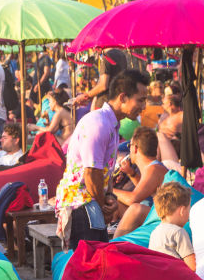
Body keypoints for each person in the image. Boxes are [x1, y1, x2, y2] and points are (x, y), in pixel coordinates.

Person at [55, 70, 148, 249]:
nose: (143, 107)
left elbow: (104, 171)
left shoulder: (110, 123)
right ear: (123, 97)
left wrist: (110, 197)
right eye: (140, 100)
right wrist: (104, 206)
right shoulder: (99, 124)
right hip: (81, 206)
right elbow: (91, 175)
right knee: (88, 267)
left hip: (91, 204)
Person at [112, 127, 168, 237]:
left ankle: (112, 247)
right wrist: (131, 173)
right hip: (163, 215)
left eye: (130, 146)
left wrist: (108, 188)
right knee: (116, 202)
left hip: (167, 219)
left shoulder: (154, 170)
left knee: (136, 209)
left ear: (135, 149)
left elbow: (133, 199)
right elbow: (144, 190)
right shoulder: (153, 167)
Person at [148, 182, 195, 271]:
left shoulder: (154, 233)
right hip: (177, 278)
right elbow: (192, 266)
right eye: (188, 211)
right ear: (182, 211)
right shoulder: (178, 232)